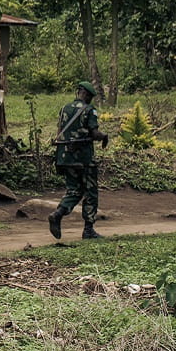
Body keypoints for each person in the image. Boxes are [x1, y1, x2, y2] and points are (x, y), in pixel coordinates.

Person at [48, 81, 110, 241]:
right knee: (90, 191)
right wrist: (104, 137)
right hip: (83, 158)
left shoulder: (64, 109)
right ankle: (88, 230)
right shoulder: (89, 110)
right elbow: (94, 133)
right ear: (87, 95)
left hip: (64, 156)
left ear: (78, 92)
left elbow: (60, 132)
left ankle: (58, 214)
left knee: (74, 190)